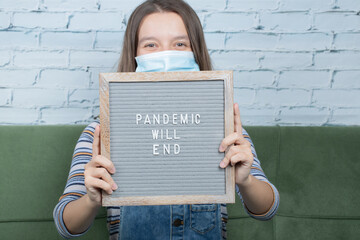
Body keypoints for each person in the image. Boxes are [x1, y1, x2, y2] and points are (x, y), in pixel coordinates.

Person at [53, 0, 280, 239]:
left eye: (180, 44)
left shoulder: (225, 130)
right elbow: (65, 224)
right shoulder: (100, 134)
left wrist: (245, 181)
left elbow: (267, 210)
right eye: (151, 44)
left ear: (196, 53)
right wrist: (91, 199)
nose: (165, 54)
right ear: (134, 54)